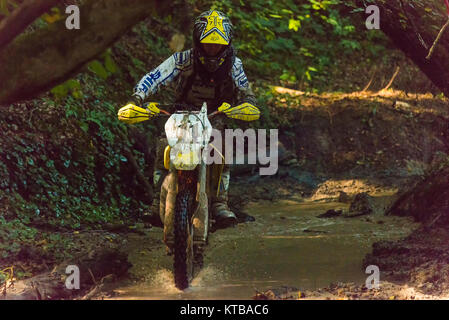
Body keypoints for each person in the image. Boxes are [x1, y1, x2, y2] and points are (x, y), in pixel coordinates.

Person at [126, 10, 258, 227]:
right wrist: (137, 97)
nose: (213, 49)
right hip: (183, 112)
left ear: (227, 43)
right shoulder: (182, 59)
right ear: (198, 41)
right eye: (208, 43)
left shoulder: (234, 64)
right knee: (164, 147)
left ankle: (219, 203)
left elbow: (245, 88)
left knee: (221, 151)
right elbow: (155, 76)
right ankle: (156, 202)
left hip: (216, 113)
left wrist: (249, 102)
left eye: (217, 44)